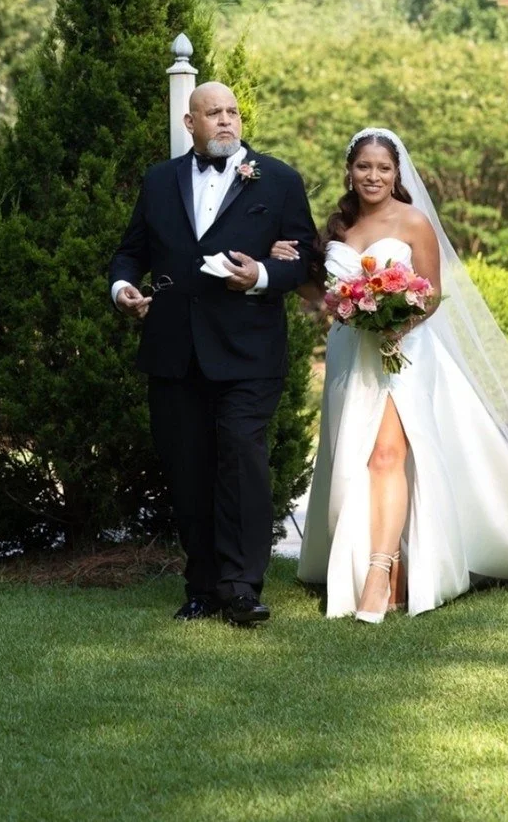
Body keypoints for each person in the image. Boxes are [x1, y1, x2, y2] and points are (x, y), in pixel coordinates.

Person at [273, 127, 508, 621]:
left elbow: (430, 294)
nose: (373, 176)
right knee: (354, 462)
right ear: (350, 171)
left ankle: (380, 576)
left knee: (387, 456)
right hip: (349, 357)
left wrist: (391, 321)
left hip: (403, 352)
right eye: (364, 167)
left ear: (397, 173)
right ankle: (382, 565)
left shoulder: (414, 222)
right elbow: (322, 298)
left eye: (384, 168)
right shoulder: (336, 229)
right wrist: (295, 272)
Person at [109, 82, 317, 626]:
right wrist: (122, 290)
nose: (225, 121)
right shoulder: (159, 181)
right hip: (174, 350)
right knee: (189, 469)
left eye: (232, 112)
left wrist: (263, 275)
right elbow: (130, 253)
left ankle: (242, 587)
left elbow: (306, 262)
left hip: (249, 351)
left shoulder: (279, 179)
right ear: (190, 123)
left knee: (242, 462)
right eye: (213, 113)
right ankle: (200, 585)